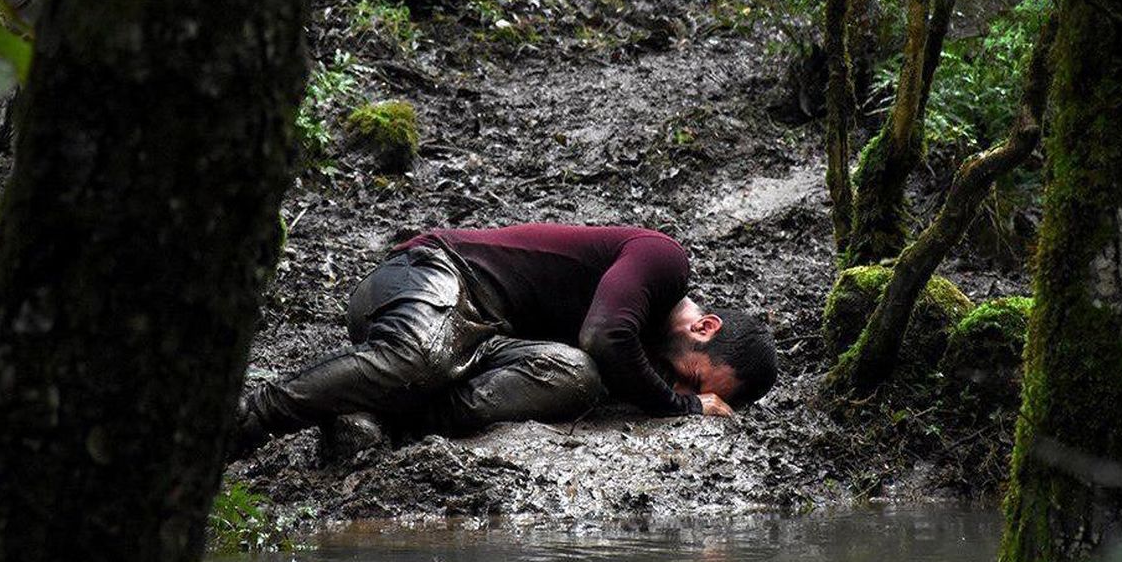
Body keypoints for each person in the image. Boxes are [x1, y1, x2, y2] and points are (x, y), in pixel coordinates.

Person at [233, 224, 778, 458]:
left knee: (574, 376)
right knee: (421, 355)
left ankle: (384, 416)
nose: (676, 383)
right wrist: (683, 406)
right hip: (437, 275)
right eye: (692, 376)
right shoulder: (665, 260)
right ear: (705, 328)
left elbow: (591, 356)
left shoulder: (637, 349)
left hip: (486, 346)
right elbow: (603, 335)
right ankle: (246, 419)